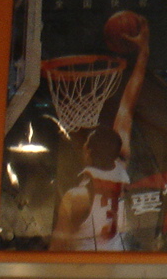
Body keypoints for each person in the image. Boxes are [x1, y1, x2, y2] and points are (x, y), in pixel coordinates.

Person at [48, 18, 149, 251]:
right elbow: (128, 104)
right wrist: (144, 53)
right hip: (119, 264)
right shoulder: (122, 170)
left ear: (87, 152)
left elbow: (56, 251)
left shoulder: (76, 197)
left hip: (87, 270)